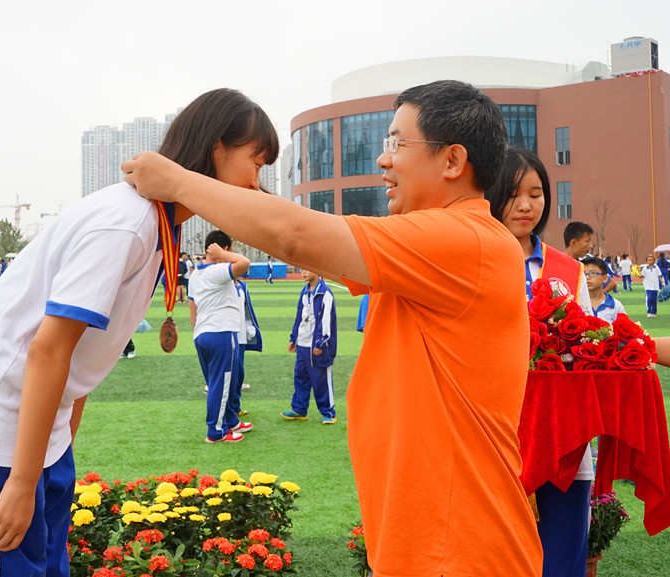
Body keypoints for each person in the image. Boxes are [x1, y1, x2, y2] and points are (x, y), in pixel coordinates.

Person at [123, 79, 542, 576]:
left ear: (452, 160)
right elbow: (304, 240)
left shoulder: (464, 238)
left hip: (459, 551)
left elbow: (296, 236)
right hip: (438, 544)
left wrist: (175, 181)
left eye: (397, 143)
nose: (383, 159)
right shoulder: (443, 242)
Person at [0, 88, 278, 577]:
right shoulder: (126, 223)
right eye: (255, 163)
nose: (257, 184)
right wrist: (22, 481)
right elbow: (49, 348)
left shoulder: (158, 226)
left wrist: (57, 448)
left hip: (40, 423)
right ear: (217, 148)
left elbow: (84, 352)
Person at [486, 148, 592, 577]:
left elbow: (587, 348)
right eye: (514, 194)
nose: (526, 205)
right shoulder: (469, 261)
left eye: (536, 193)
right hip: (492, 440)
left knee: (560, 562)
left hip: (562, 443)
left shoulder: (568, 270)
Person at [188, 230, 253, 443]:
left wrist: (196, 332)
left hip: (203, 334)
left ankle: (230, 420)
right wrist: (222, 255)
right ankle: (216, 432)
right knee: (221, 383)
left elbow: (192, 307)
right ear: (222, 249)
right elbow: (244, 263)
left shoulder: (195, 274)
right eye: (229, 250)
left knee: (221, 381)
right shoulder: (217, 270)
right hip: (221, 333)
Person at [282, 269, 337, 424]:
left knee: (321, 379)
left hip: (318, 345)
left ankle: (328, 412)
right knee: (301, 377)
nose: (303, 272)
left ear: (317, 270)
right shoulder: (304, 291)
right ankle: (299, 409)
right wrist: (293, 337)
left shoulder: (325, 293)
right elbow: (299, 316)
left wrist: (320, 342)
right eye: (301, 270)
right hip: (302, 343)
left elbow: (326, 321)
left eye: (306, 269)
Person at [234, 275, 262, 415]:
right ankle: (227, 411)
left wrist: (249, 327)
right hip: (226, 336)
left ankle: (235, 406)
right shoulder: (223, 285)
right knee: (228, 374)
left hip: (241, 338)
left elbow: (246, 311)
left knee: (239, 373)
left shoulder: (242, 287)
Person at [582, 256, 626, 323]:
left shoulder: (616, 306)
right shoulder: (576, 304)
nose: (587, 277)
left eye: (593, 273)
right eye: (583, 274)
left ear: (605, 278)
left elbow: (624, 326)